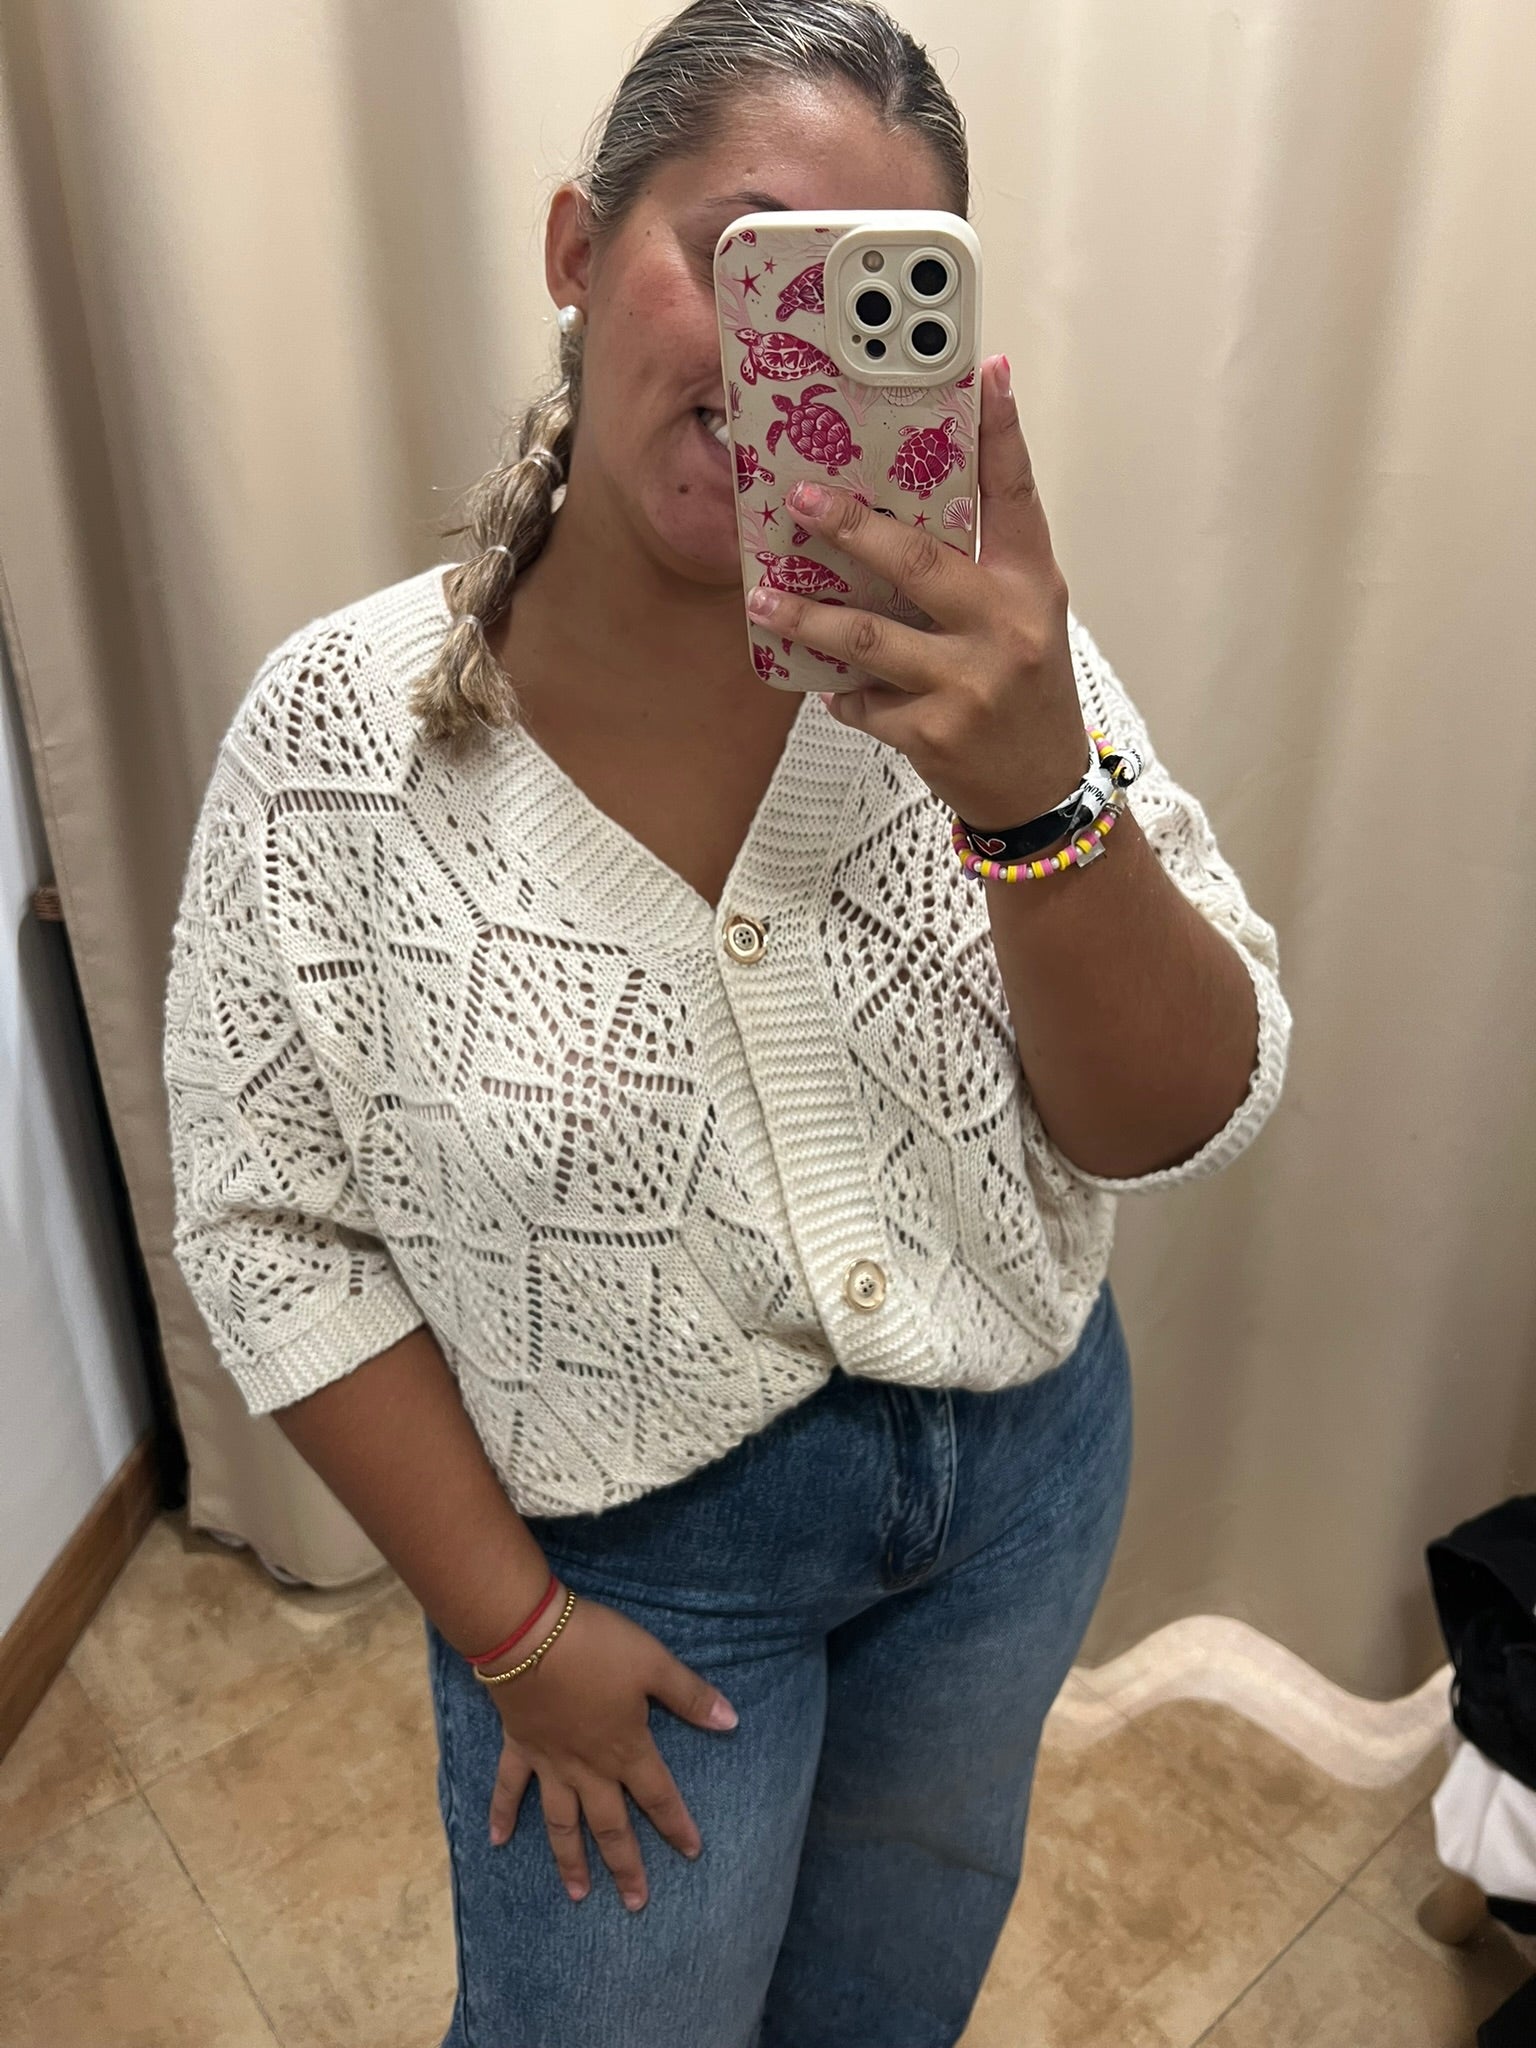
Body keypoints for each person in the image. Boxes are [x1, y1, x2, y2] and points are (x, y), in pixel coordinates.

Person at [161, 3, 1292, 2042]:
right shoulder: (338, 748)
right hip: (630, 1562)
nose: (789, 355)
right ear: (578, 251)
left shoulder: (990, 676)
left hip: (1021, 1474)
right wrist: (514, 1636)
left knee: (888, 1999)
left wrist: (1036, 799)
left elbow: (1169, 1114)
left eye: (873, 296)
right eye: (743, 256)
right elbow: (267, 1226)